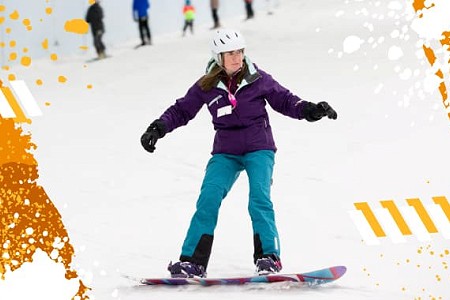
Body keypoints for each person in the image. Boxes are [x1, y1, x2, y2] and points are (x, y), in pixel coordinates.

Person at [140, 29, 337, 278]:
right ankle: (192, 262)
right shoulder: (206, 85)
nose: (237, 57)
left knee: (259, 199)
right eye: (230, 53)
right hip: (226, 152)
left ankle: (269, 257)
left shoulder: (259, 79)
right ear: (218, 57)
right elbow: (181, 110)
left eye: (240, 51)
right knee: (208, 198)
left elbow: (286, 100)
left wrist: (311, 110)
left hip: (259, 148)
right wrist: (157, 128)